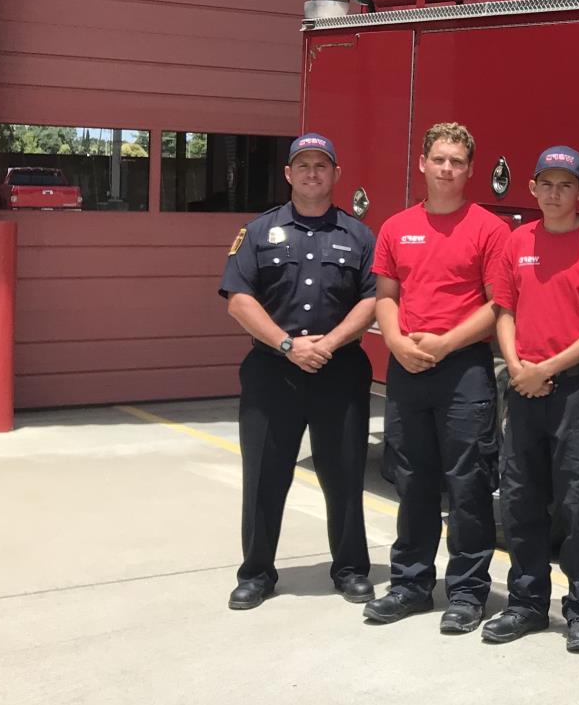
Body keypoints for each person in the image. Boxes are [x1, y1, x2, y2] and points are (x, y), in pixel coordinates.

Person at [218, 133, 377, 610]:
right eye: (303, 166)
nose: (312, 173)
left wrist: (326, 344)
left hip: (340, 369)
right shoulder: (257, 232)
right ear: (288, 174)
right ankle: (257, 572)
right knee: (265, 475)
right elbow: (239, 300)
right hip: (273, 372)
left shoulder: (359, 235)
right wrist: (287, 345)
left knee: (345, 474)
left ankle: (350, 569)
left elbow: (372, 300)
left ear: (336, 175)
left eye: (321, 166)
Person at [364, 122, 510, 634]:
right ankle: (410, 584)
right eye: (439, 159)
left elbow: (500, 304)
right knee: (413, 480)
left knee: (468, 483)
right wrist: (397, 343)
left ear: (471, 170)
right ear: (422, 163)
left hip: (464, 369)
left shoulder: (490, 230)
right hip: (407, 366)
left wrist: (447, 342)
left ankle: (468, 593)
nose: (447, 169)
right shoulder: (395, 226)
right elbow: (385, 295)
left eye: (457, 161)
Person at [482, 145, 579, 650]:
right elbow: (504, 310)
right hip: (522, 385)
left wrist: (548, 368)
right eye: (547, 183)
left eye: (566, 184)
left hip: (574, 388)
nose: (555, 193)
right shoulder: (517, 242)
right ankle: (526, 604)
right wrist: (518, 366)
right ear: (533, 188)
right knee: (520, 497)